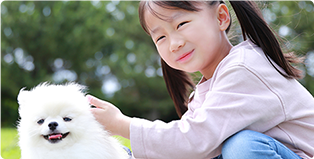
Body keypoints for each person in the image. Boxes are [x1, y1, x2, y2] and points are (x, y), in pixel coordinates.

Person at [87, 0, 314, 158]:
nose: (174, 43)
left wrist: (121, 124)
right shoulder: (206, 92)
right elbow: (184, 151)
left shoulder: (244, 67)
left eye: (181, 24)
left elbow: (194, 141)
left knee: (242, 147)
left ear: (221, 17)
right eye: (161, 37)